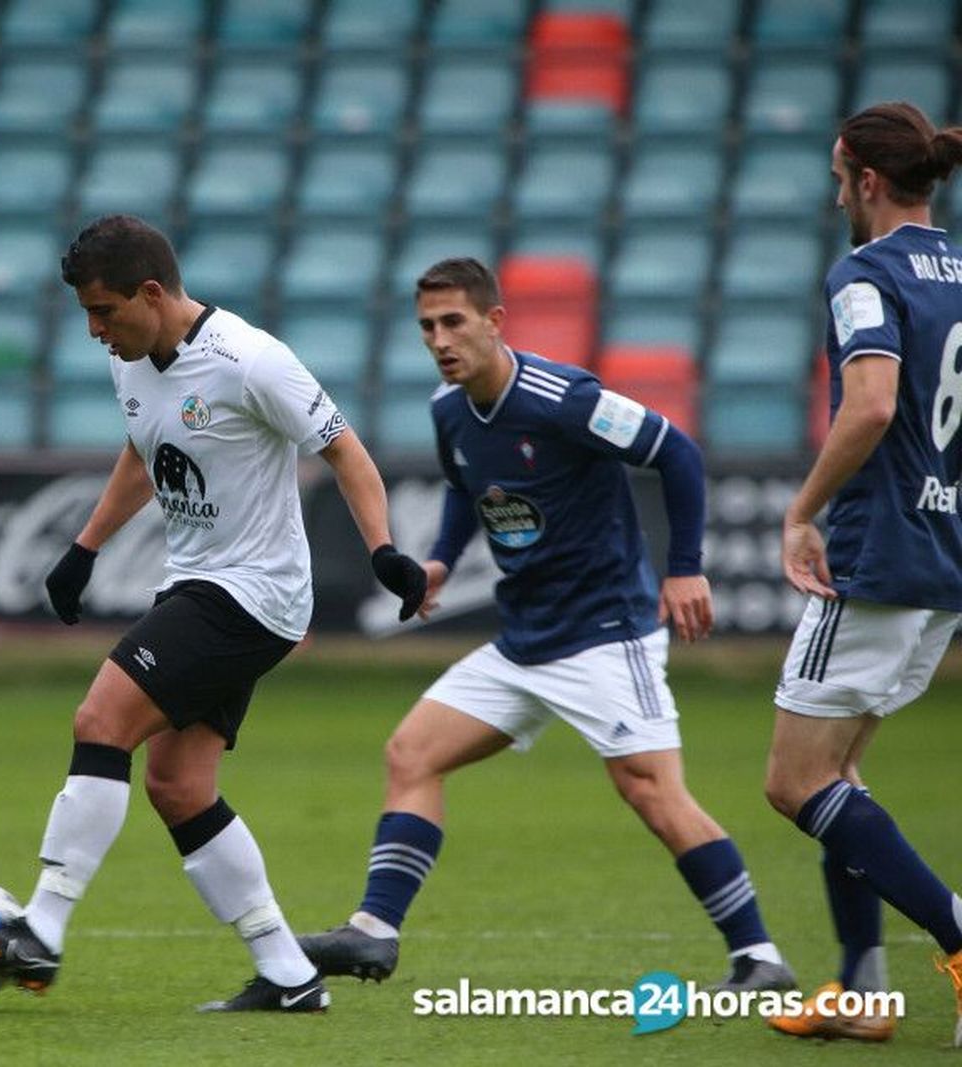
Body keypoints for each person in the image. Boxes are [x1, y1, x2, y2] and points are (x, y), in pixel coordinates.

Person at [0, 214, 428, 1013]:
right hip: (199, 584)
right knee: (178, 784)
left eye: (103, 311)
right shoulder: (133, 360)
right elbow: (146, 449)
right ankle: (289, 976)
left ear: (151, 291)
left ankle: (41, 925)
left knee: (100, 719)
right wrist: (86, 545)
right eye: (85, 314)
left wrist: (385, 549)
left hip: (253, 594)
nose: (94, 330)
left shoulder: (252, 362)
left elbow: (345, 450)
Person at [298, 257, 794, 993]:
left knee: (653, 792)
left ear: (495, 322)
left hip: (605, 633)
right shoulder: (450, 410)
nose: (440, 339)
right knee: (412, 753)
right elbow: (471, 489)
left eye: (454, 322)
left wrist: (684, 566)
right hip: (525, 641)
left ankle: (759, 957)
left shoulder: (565, 399)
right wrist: (438, 561)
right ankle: (373, 932)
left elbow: (677, 453)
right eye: (428, 326)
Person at [761, 102, 962, 1046]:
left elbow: (872, 402)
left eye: (839, 178)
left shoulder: (864, 273)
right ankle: (862, 990)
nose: (837, 193)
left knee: (795, 783)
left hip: (878, 554)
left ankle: (959, 937)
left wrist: (803, 513)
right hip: (943, 554)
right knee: (842, 776)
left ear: (866, 181)